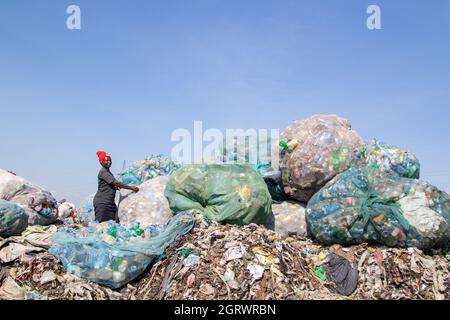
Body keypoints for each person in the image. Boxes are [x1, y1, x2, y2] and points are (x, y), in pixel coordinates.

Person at [93, 151, 139, 223]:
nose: (109, 162)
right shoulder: (103, 171)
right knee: (102, 225)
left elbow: (110, 185)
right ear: (101, 162)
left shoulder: (108, 171)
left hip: (110, 203)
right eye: (106, 160)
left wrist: (116, 188)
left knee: (115, 222)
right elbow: (115, 182)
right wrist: (131, 188)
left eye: (110, 160)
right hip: (102, 203)